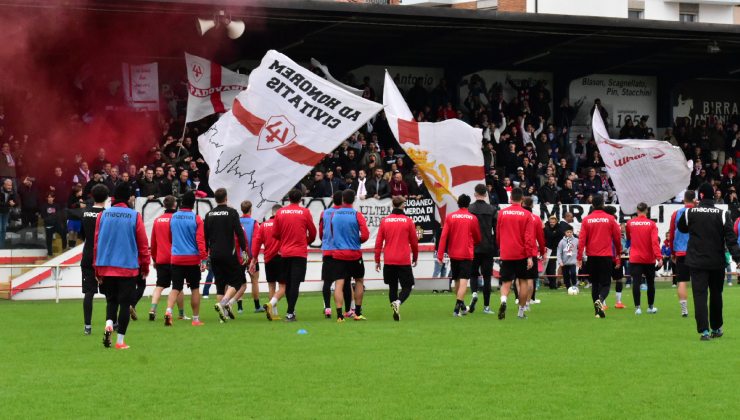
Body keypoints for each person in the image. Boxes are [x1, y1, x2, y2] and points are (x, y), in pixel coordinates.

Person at [677, 183, 740, 340]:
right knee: (716, 294)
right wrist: (738, 258)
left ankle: (704, 331)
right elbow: (731, 239)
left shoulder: (690, 213)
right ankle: (717, 328)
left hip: (696, 261)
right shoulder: (723, 214)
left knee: (700, 295)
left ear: (701, 196)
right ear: (714, 195)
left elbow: (682, 228)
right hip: (716, 261)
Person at [93, 183, 150, 349]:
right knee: (125, 305)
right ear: (129, 197)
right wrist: (145, 267)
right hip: (128, 268)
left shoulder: (102, 216)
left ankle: (109, 323)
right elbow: (142, 245)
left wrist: (97, 268)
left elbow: (96, 243)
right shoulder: (134, 216)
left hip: (106, 265)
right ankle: (120, 342)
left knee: (111, 302)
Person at [273, 189, 317, 322]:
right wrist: (306, 241)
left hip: (285, 252)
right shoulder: (305, 212)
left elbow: (275, 233)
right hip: (299, 253)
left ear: (288, 199)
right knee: (295, 283)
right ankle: (290, 312)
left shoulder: (280, 212)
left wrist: (285, 239)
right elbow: (313, 232)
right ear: (301, 199)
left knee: (287, 283)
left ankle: (290, 310)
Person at [204, 188, 247, 323]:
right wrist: (244, 250)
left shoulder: (209, 214)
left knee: (220, 284)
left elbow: (205, 236)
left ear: (215, 199)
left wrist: (206, 254)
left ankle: (222, 317)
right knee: (237, 281)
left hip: (214, 254)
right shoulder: (232, 212)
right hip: (229, 253)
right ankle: (223, 304)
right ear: (226, 198)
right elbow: (239, 232)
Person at [164, 191, 207, 327]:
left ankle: (168, 311)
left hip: (176, 258)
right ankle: (195, 319)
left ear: (181, 203)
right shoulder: (196, 218)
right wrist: (204, 258)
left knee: (175, 288)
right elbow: (200, 240)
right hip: (192, 259)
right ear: (193, 204)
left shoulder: (173, 217)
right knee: (195, 288)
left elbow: (170, 237)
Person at [577, 194, 622, 318]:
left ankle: (597, 311)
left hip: (592, 257)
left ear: (592, 205)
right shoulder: (610, 219)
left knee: (595, 284)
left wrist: (579, 257)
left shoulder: (586, 219)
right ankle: (600, 300)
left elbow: (582, 240)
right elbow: (617, 238)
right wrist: (618, 252)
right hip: (606, 256)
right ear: (603, 204)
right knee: (606, 284)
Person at [374, 196, 419, 321]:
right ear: (403, 205)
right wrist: (415, 256)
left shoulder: (385, 221)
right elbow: (414, 242)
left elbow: (378, 243)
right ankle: (398, 302)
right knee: (408, 286)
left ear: (392, 205)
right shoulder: (408, 221)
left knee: (392, 287)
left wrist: (377, 260)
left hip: (389, 260)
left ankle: (395, 311)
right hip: (403, 260)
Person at [438, 194, 482, 317]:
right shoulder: (472, 218)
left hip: (453, 253)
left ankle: (462, 306)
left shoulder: (450, 217)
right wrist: (473, 243)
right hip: (466, 254)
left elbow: (444, 236)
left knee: (457, 280)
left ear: (458, 203)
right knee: (464, 281)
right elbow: (478, 236)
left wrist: (440, 254)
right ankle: (457, 308)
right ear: (468, 204)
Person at [495, 188, 535, 319]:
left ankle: (503, 301)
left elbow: (498, 233)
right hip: (521, 254)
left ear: (510, 198)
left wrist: (501, 246)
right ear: (522, 199)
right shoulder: (527, 214)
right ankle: (521, 311)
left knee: (506, 281)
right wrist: (529, 255)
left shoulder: (502, 213)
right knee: (523, 281)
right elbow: (528, 237)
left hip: (506, 253)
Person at [331, 189, 370, 322]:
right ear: (353, 200)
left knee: (339, 284)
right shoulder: (357, 215)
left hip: (338, 254)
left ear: (342, 199)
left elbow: (332, 233)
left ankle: (339, 315)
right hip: (354, 254)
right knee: (359, 281)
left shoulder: (334, 215)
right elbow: (365, 235)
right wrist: (356, 241)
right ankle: (357, 313)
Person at [147, 195, 186, 322]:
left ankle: (152, 309)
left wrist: (154, 258)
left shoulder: (157, 220)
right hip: (175, 258)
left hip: (161, 258)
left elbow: (154, 242)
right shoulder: (177, 219)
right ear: (175, 205)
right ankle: (181, 314)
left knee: (160, 285)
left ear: (164, 205)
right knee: (178, 287)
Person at [78, 184, 108, 335]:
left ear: (92, 196)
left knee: (89, 293)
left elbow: (82, 235)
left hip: (88, 255)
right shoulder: (107, 215)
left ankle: (87, 327)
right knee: (110, 292)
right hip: (104, 257)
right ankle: (112, 322)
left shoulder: (85, 213)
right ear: (107, 197)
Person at [318, 192, 351, 318]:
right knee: (345, 282)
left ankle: (327, 308)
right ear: (343, 200)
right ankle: (348, 309)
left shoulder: (324, 213)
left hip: (328, 250)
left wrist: (326, 240)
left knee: (327, 281)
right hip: (342, 251)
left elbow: (321, 232)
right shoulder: (345, 213)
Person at [626, 202, 662, 315]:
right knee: (650, 283)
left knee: (636, 283)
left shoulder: (630, 223)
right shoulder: (651, 224)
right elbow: (654, 242)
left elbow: (628, 237)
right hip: (648, 258)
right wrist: (659, 257)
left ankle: (637, 308)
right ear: (646, 210)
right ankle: (650, 307)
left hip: (635, 257)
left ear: (637, 210)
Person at [468, 184, 496, 314]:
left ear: (475, 194)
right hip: (487, 246)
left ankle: (474, 294)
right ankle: (486, 307)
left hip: (473, 246)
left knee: (473, 274)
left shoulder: (470, 209)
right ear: (486, 194)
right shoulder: (492, 209)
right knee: (487, 277)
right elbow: (496, 230)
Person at [252, 204, 284, 320]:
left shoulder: (263, 225)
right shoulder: (282, 224)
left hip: (268, 259)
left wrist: (254, 258)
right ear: (280, 212)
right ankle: (271, 306)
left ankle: (274, 313)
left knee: (271, 286)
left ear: (272, 212)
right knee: (283, 287)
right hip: (280, 257)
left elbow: (257, 243)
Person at [668, 190, 695, 317]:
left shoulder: (676, 213)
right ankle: (699, 306)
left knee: (682, 281)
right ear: (694, 200)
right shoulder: (698, 212)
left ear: (684, 200)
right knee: (698, 280)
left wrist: (673, 252)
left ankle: (684, 309)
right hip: (696, 251)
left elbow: (672, 234)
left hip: (681, 251)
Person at [236, 201, 263, 314]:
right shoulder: (254, 223)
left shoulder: (236, 222)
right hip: (250, 255)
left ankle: (240, 307)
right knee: (254, 281)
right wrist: (254, 258)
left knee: (239, 282)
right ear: (251, 209)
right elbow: (257, 240)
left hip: (239, 256)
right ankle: (257, 306)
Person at [522, 197, 545, 307]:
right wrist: (542, 249)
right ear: (532, 205)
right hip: (531, 251)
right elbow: (540, 237)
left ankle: (519, 300)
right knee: (530, 279)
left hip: (519, 251)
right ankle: (527, 303)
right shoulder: (536, 218)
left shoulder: (519, 216)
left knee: (519, 279)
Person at [556, 225, 578, 290]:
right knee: (566, 276)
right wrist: (560, 261)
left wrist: (580, 258)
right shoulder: (562, 242)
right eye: (567, 232)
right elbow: (559, 252)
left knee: (573, 273)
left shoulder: (576, 240)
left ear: (573, 232)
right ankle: (568, 287)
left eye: (570, 232)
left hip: (573, 262)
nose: (569, 233)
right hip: (564, 262)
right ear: (565, 233)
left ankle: (574, 285)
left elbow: (580, 249)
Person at [0, 178, 17, 247]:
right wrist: (8, 204)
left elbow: (16, 202)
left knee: (4, 229)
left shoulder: (12, 192)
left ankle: (1, 245)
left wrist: (14, 203)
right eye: (8, 185)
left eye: (11, 185)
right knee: (0, 229)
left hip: (6, 212)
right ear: (4, 185)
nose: (10, 187)